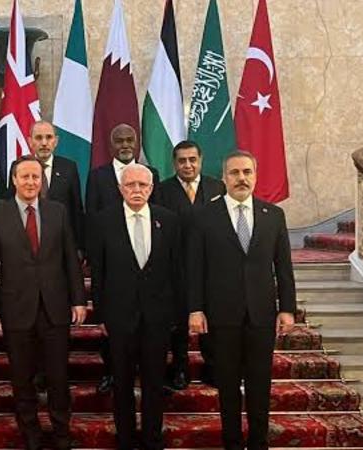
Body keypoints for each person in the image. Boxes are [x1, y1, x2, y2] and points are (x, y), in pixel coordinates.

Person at [188, 151, 296, 450]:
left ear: (255, 176)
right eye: (234, 173)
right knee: (227, 386)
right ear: (224, 177)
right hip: (221, 316)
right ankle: (232, 443)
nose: (241, 178)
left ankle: (259, 443)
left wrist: (287, 308)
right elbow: (195, 267)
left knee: (260, 385)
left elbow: (283, 267)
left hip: (262, 315)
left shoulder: (273, 215)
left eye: (247, 172)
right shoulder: (204, 216)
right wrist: (195, 308)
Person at [0, 155, 86, 450]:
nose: (30, 182)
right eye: (24, 177)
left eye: (35, 177)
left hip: (55, 308)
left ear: (42, 180)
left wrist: (79, 300)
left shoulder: (58, 211)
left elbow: (70, 259)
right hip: (15, 309)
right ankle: (31, 434)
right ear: (14, 180)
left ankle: (61, 432)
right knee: (22, 378)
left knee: (58, 376)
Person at [89, 164, 181, 450]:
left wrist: (176, 313)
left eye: (143, 185)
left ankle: (153, 438)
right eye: (130, 185)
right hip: (119, 317)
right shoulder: (103, 221)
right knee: (122, 382)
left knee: (154, 382)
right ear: (120, 189)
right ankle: (126, 439)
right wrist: (101, 314)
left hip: (158, 317)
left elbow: (177, 270)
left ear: (151, 188)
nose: (137, 190)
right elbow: (99, 272)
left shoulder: (169, 220)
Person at [85, 123, 161, 394]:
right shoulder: (98, 176)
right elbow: (91, 214)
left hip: (146, 263)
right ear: (111, 145)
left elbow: (157, 212)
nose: (126, 145)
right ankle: (111, 373)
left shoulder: (151, 174)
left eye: (130, 140)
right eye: (120, 141)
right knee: (113, 332)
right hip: (112, 260)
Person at [156, 140, 226, 390]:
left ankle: (213, 366)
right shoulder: (162, 190)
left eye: (192, 159)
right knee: (178, 322)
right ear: (174, 163)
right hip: (176, 267)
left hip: (211, 266)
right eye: (182, 160)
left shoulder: (217, 187)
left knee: (212, 318)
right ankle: (180, 369)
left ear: (200, 160)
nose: (188, 165)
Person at [8, 120, 85, 248]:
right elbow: (10, 205)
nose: (44, 143)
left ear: (56, 141)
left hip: (60, 243)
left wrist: (79, 247)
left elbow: (76, 210)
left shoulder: (69, 168)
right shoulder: (19, 167)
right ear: (30, 141)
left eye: (49, 137)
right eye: (38, 138)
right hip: (26, 241)